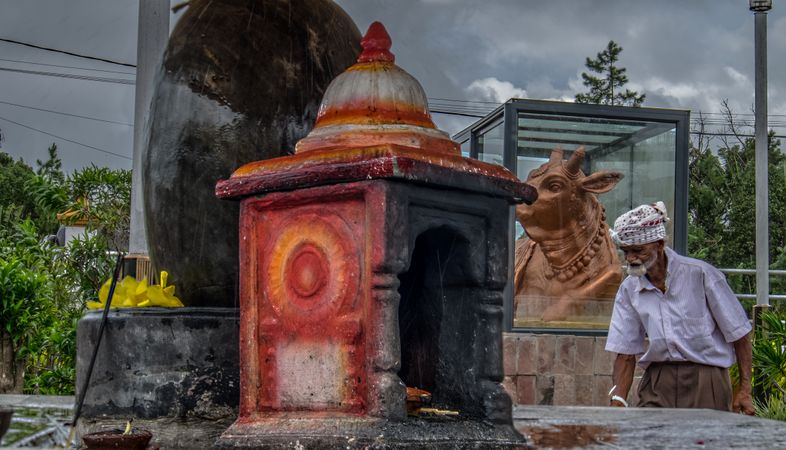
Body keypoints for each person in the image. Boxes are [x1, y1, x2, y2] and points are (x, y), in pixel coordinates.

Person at [604, 201, 754, 414]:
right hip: (657, 381)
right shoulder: (629, 289)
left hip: (706, 377)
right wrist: (618, 399)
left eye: (637, 250)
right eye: (625, 251)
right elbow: (625, 353)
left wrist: (745, 390)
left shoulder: (700, 275)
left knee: (704, 443)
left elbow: (740, 335)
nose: (630, 258)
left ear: (659, 244)